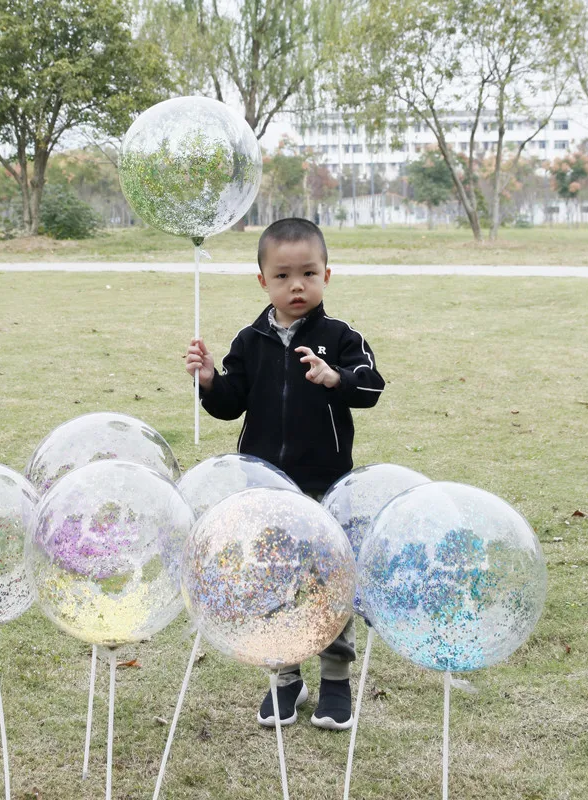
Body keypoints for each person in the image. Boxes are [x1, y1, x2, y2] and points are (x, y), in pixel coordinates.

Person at [184, 217, 385, 731]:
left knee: (326, 581)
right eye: (283, 276)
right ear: (263, 281)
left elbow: (371, 387)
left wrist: (334, 378)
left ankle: (336, 682)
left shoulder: (341, 337)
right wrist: (210, 380)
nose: (297, 286)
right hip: (266, 487)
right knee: (273, 581)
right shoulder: (250, 340)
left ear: (326, 275)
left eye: (309, 274)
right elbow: (230, 405)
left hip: (324, 485)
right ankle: (284, 678)